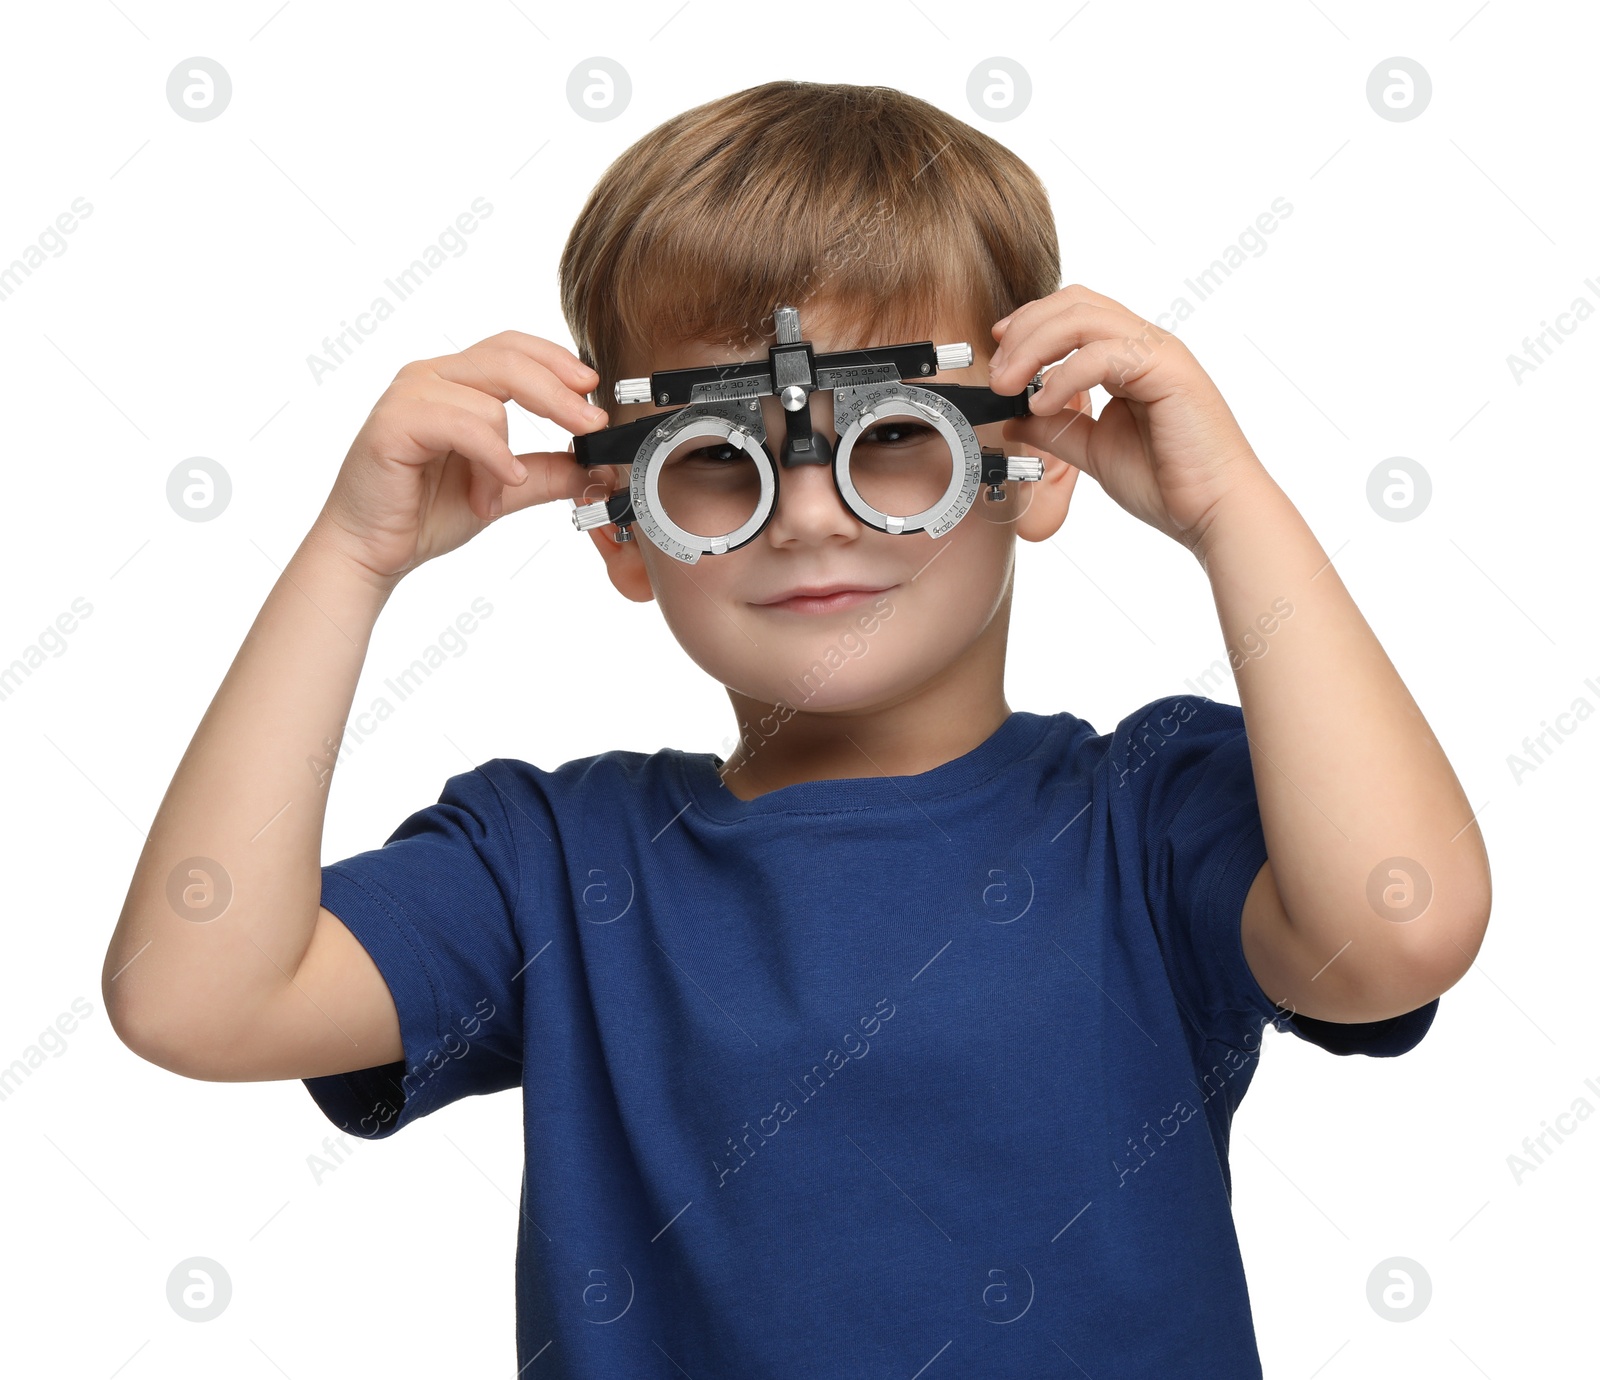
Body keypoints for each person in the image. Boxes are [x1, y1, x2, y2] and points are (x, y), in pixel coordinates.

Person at [102, 80, 1492, 1377]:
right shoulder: (550, 865)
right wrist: (351, 560)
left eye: (898, 440)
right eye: (721, 464)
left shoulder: (1144, 812)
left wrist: (1230, 506)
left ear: (1033, 464)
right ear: (626, 533)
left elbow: (1402, 924)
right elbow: (192, 995)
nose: (815, 511)